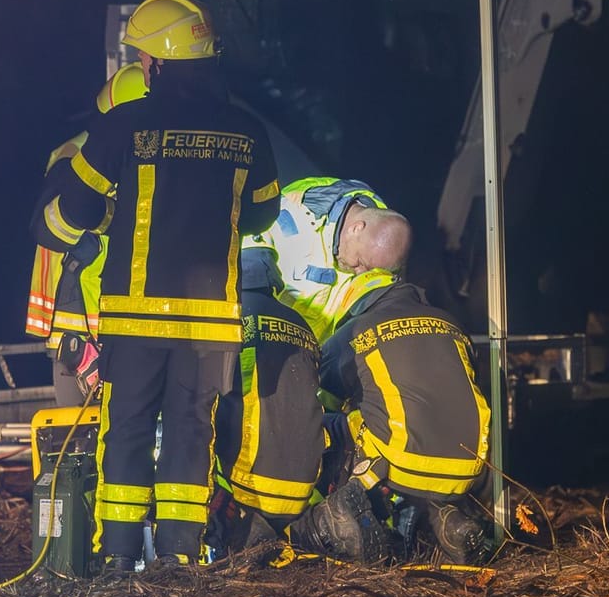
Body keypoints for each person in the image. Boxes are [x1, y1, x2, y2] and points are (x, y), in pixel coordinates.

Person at [37, 0, 280, 571]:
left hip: (135, 320)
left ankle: (120, 557)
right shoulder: (246, 131)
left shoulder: (126, 124)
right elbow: (263, 215)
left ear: (157, 64)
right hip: (209, 325)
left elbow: (71, 210)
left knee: (126, 432)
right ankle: (179, 555)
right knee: (192, 436)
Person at [301, 274, 493, 563]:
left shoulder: (357, 330)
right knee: (416, 427)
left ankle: (343, 512)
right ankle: (447, 519)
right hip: (469, 467)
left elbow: (318, 390)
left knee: (325, 425)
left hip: (398, 462)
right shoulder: (452, 324)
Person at [25, 65, 147, 406]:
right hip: (84, 324)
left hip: (92, 326)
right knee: (87, 437)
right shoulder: (89, 156)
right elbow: (58, 225)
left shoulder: (84, 150)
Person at [207, 245, 325, 560]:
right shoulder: (303, 325)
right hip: (303, 487)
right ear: (274, 283)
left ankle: (232, 532)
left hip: (248, 484)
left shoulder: (230, 320)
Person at [253, 177, 413, 343]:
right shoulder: (288, 216)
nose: (360, 275)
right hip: (263, 346)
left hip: (314, 360)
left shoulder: (387, 245)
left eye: (371, 272)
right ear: (356, 228)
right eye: (360, 262)